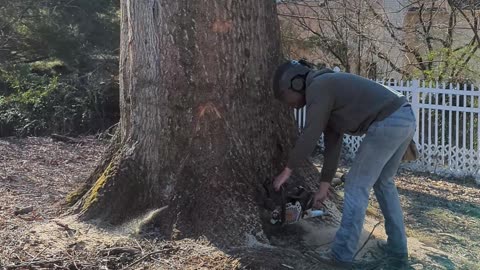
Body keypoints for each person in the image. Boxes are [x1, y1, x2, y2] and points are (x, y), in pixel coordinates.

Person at [272, 60, 416, 268]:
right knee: (384, 183)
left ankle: (341, 257)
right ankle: (398, 249)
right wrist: (323, 186)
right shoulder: (327, 89)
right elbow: (333, 142)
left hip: (389, 120)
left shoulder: (318, 87)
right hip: (404, 116)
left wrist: (287, 171)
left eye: (286, 97)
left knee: (356, 185)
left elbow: (310, 134)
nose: (289, 105)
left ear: (295, 83)